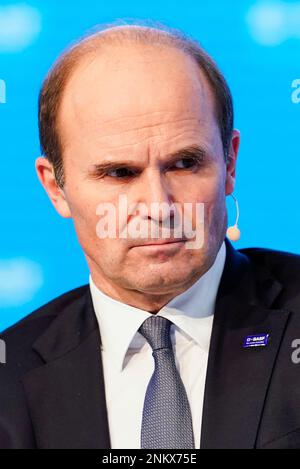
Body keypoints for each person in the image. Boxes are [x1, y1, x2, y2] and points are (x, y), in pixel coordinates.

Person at [1, 22, 300, 450]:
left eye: (184, 164)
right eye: (120, 173)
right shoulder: (8, 378)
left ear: (230, 162)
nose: (158, 207)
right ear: (55, 187)